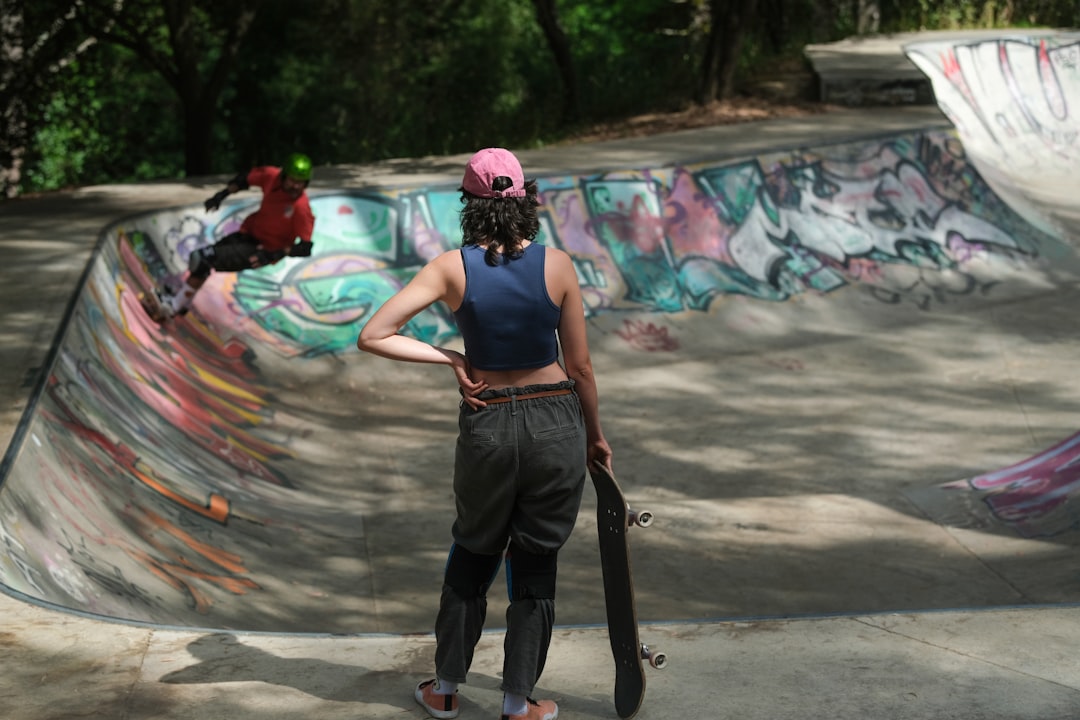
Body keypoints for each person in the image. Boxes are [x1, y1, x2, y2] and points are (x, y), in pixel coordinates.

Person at [357, 147, 612, 720]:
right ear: (526, 199)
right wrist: (595, 438)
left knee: (474, 549)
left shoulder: (450, 267)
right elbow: (581, 367)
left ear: (469, 204)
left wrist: (450, 356)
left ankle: (445, 689)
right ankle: (518, 702)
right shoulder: (558, 265)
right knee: (536, 558)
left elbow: (374, 334)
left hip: (489, 421)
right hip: (556, 421)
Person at [157, 152, 316, 317]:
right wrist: (221, 195)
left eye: (300, 183)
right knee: (203, 260)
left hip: (262, 251)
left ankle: (173, 307)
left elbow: (304, 247)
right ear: (283, 177)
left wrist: (275, 254)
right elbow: (244, 179)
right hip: (247, 234)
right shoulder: (271, 177)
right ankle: (182, 300)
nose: (295, 187)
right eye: (292, 181)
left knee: (203, 258)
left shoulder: (301, 208)